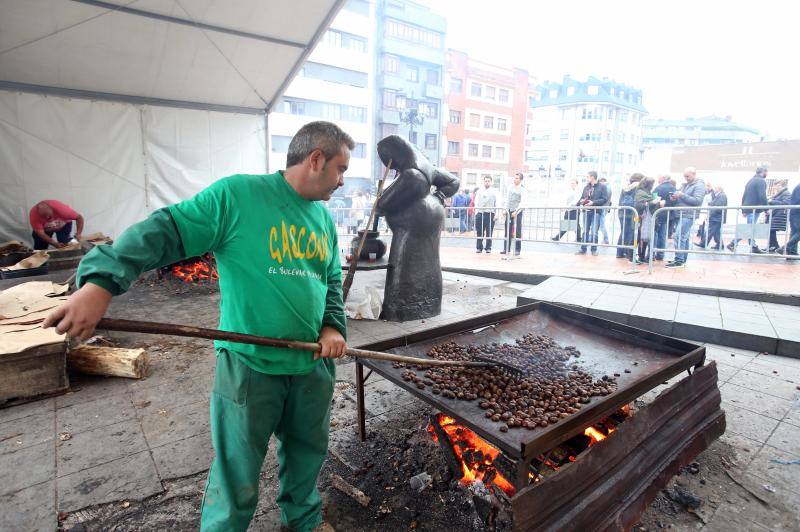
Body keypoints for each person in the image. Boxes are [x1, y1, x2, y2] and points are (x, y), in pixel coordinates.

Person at [44, 121, 352, 532]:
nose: (343, 181)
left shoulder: (324, 221)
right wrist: (101, 281)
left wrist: (333, 327)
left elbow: (331, 282)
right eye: (340, 169)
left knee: (307, 454)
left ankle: (303, 520)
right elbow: (167, 230)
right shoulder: (238, 196)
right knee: (237, 470)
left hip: (311, 365)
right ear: (316, 159)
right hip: (249, 367)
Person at [666, 166, 706, 268]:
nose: (686, 178)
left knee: (679, 236)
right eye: (684, 176)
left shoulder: (699, 185)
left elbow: (697, 201)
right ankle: (681, 260)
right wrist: (674, 197)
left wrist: (682, 195)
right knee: (684, 237)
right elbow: (681, 197)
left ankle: (679, 260)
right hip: (681, 213)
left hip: (688, 214)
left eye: (687, 176)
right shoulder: (685, 185)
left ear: (694, 174)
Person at [728, 166, 768, 253]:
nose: (767, 174)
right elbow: (762, 196)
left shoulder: (750, 181)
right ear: (763, 172)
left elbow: (744, 196)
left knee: (750, 228)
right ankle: (734, 243)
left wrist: (744, 209)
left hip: (749, 208)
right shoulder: (761, 181)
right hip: (754, 209)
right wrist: (767, 209)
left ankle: (752, 246)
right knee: (750, 228)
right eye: (766, 172)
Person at [576, 171, 610, 256]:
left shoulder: (602, 187)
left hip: (596, 212)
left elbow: (604, 199)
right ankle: (583, 249)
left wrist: (593, 202)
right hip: (586, 211)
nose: (586, 178)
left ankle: (594, 249)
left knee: (594, 231)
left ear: (592, 177)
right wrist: (581, 202)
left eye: (587, 176)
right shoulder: (586, 187)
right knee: (585, 231)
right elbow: (583, 197)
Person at [634, 176, 663, 263]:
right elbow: (639, 205)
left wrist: (655, 202)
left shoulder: (646, 192)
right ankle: (639, 256)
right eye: (652, 184)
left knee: (645, 238)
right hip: (640, 219)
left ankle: (641, 256)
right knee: (639, 238)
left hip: (647, 220)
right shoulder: (640, 192)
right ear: (648, 184)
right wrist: (653, 202)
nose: (653, 186)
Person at [616, 174, 643, 260]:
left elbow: (620, 201)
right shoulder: (639, 188)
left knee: (623, 232)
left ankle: (619, 252)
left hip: (622, 213)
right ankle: (629, 253)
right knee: (632, 233)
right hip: (632, 214)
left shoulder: (625, 188)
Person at [652, 174, 677, 261]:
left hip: (657, 214)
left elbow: (653, 200)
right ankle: (661, 254)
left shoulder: (657, 188)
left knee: (655, 234)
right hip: (669, 215)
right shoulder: (673, 188)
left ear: (663, 178)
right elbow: (676, 201)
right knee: (663, 235)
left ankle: (652, 253)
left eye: (659, 178)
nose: (658, 180)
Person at [501, 172, 527, 256]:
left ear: (521, 180)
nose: (515, 179)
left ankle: (517, 249)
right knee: (507, 229)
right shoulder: (510, 187)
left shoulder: (523, 189)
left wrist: (516, 212)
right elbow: (507, 199)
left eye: (517, 178)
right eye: (514, 178)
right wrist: (505, 209)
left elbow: (523, 202)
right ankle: (506, 248)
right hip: (509, 210)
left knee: (518, 230)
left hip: (518, 212)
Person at [474, 176, 499, 253]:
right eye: (486, 181)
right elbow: (476, 202)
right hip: (480, 213)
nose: (487, 182)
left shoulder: (495, 191)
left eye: (488, 181)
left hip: (490, 213)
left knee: (489, 232)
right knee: (479, 231)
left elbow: (498, 203)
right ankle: (479, 247)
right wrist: (476, 213)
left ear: (491, 182)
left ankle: (488, 247)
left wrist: (497, 214)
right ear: (483, 182)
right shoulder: (479, 191)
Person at [766, 180, 791, 252]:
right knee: (770, 230)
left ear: (781, 185)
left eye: (777, 185)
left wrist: (771, 201)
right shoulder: (780, 194)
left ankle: (774, 245)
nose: (775, 187)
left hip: (779, 215)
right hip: (776, 214)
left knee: (771, 229)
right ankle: (773, 245)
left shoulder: (786, 193)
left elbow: (786, 203)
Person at [778, 182, 800, 258]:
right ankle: (785, 248)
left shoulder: (797, 186)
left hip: (794, 212)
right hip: (797, 213)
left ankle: (791, 253)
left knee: (794, 232)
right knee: (798, 232)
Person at [706, 185, 728, 250]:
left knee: (710, 231)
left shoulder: (721, 196)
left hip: (716, 217)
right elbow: (715, 203)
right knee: (716, 232)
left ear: (719, 189)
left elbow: (718, 207)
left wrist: (711, 214)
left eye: (715, 188)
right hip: (717, 217)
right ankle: (720, 244)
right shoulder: (719, 195)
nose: (714, 189)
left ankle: (703, 242)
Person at [694, 182, 714, 247]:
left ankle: (702, 242)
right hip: (704, 211)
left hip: (706, 211)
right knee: (704, 226)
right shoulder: (708, 193)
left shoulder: (711, 194)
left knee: (705, 227)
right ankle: (702, 241)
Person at [598, 177, 612, 245]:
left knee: (601, 225)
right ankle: (605, 239)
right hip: (604, 208)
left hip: (602, 208)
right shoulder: (607, 187)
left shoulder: (606, 187)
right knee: (601, 225)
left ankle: (606, 239)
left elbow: (604, 199)